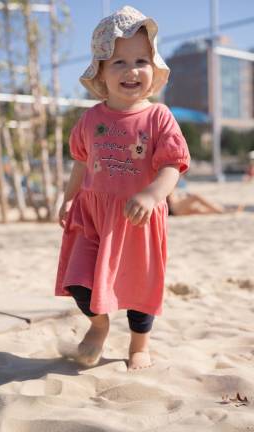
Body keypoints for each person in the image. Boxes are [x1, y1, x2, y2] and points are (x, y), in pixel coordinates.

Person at [55, 6, 190, 370]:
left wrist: (152, 194)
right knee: (78, 281)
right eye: (118, 62)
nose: (132, 71)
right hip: (92, 216)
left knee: (140, 286)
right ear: (100, 70)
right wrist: (68, 200)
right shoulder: (89, 120)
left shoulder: (159, 117)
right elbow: (82, 164)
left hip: (137, 219)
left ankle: (138, 345)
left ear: (154, 67)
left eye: (141, 60)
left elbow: (172, 166)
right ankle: (99, 325)